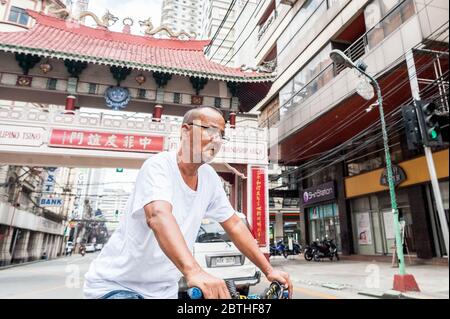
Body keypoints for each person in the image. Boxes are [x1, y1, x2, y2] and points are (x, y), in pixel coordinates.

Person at [83, 106, 293, 299]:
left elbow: (235, 224)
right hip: (118, 287)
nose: (217, 140)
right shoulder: (158, 166)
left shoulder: (209, 178)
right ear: (185, 131)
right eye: (210, 130)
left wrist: (269, 270)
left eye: (221, 135)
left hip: (162, 291)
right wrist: (194, 271)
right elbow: (158, 215)